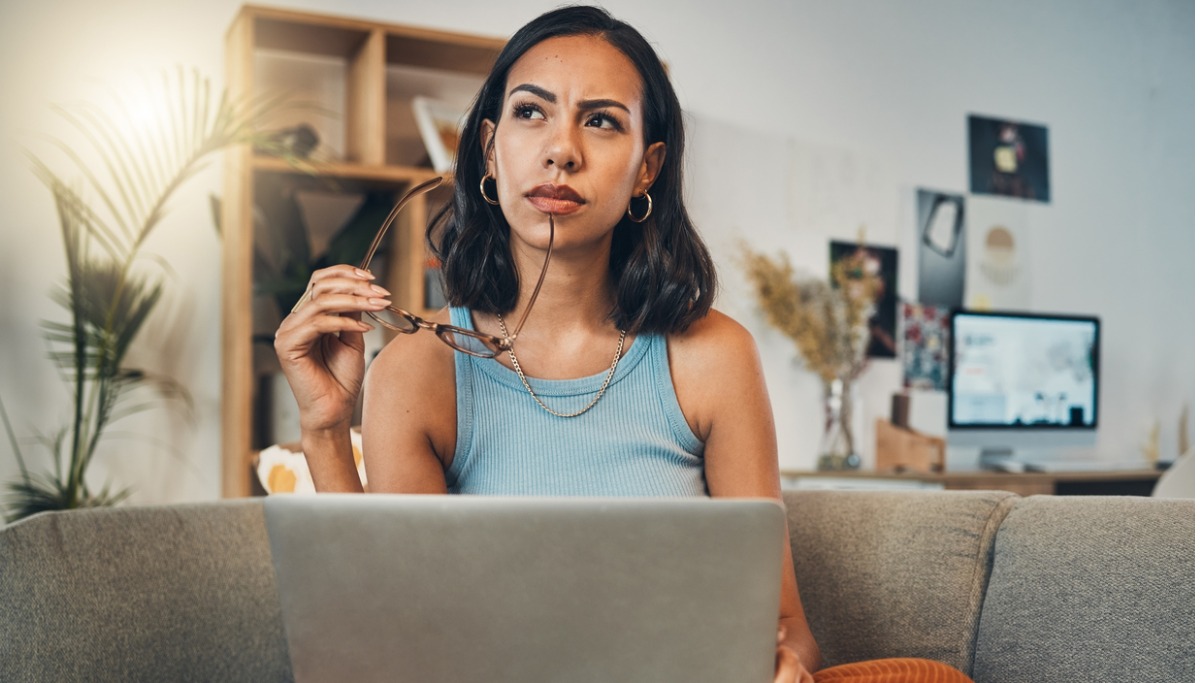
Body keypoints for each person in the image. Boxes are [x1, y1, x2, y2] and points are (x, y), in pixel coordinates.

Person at [274, 6, 972, 683]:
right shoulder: (420, 370)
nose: (561, 149)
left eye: (602, 121)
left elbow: (789, 627)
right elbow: (394, 648)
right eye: (530, 112)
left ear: (646, 167)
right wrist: (327, 429)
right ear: (490, 148)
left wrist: (783, 662)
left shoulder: (712, 357)